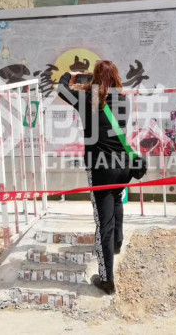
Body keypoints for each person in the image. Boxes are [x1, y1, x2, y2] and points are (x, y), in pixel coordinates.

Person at [57, 61, 132, 295]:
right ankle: (117, 244)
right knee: (117, 198)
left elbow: (61, 89)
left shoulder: (87, 100)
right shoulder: (124, 100)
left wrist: (72, 75)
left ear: (94, 79)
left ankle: (107, 280)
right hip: (123, 166)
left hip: (101, 168)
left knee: (103, 224)